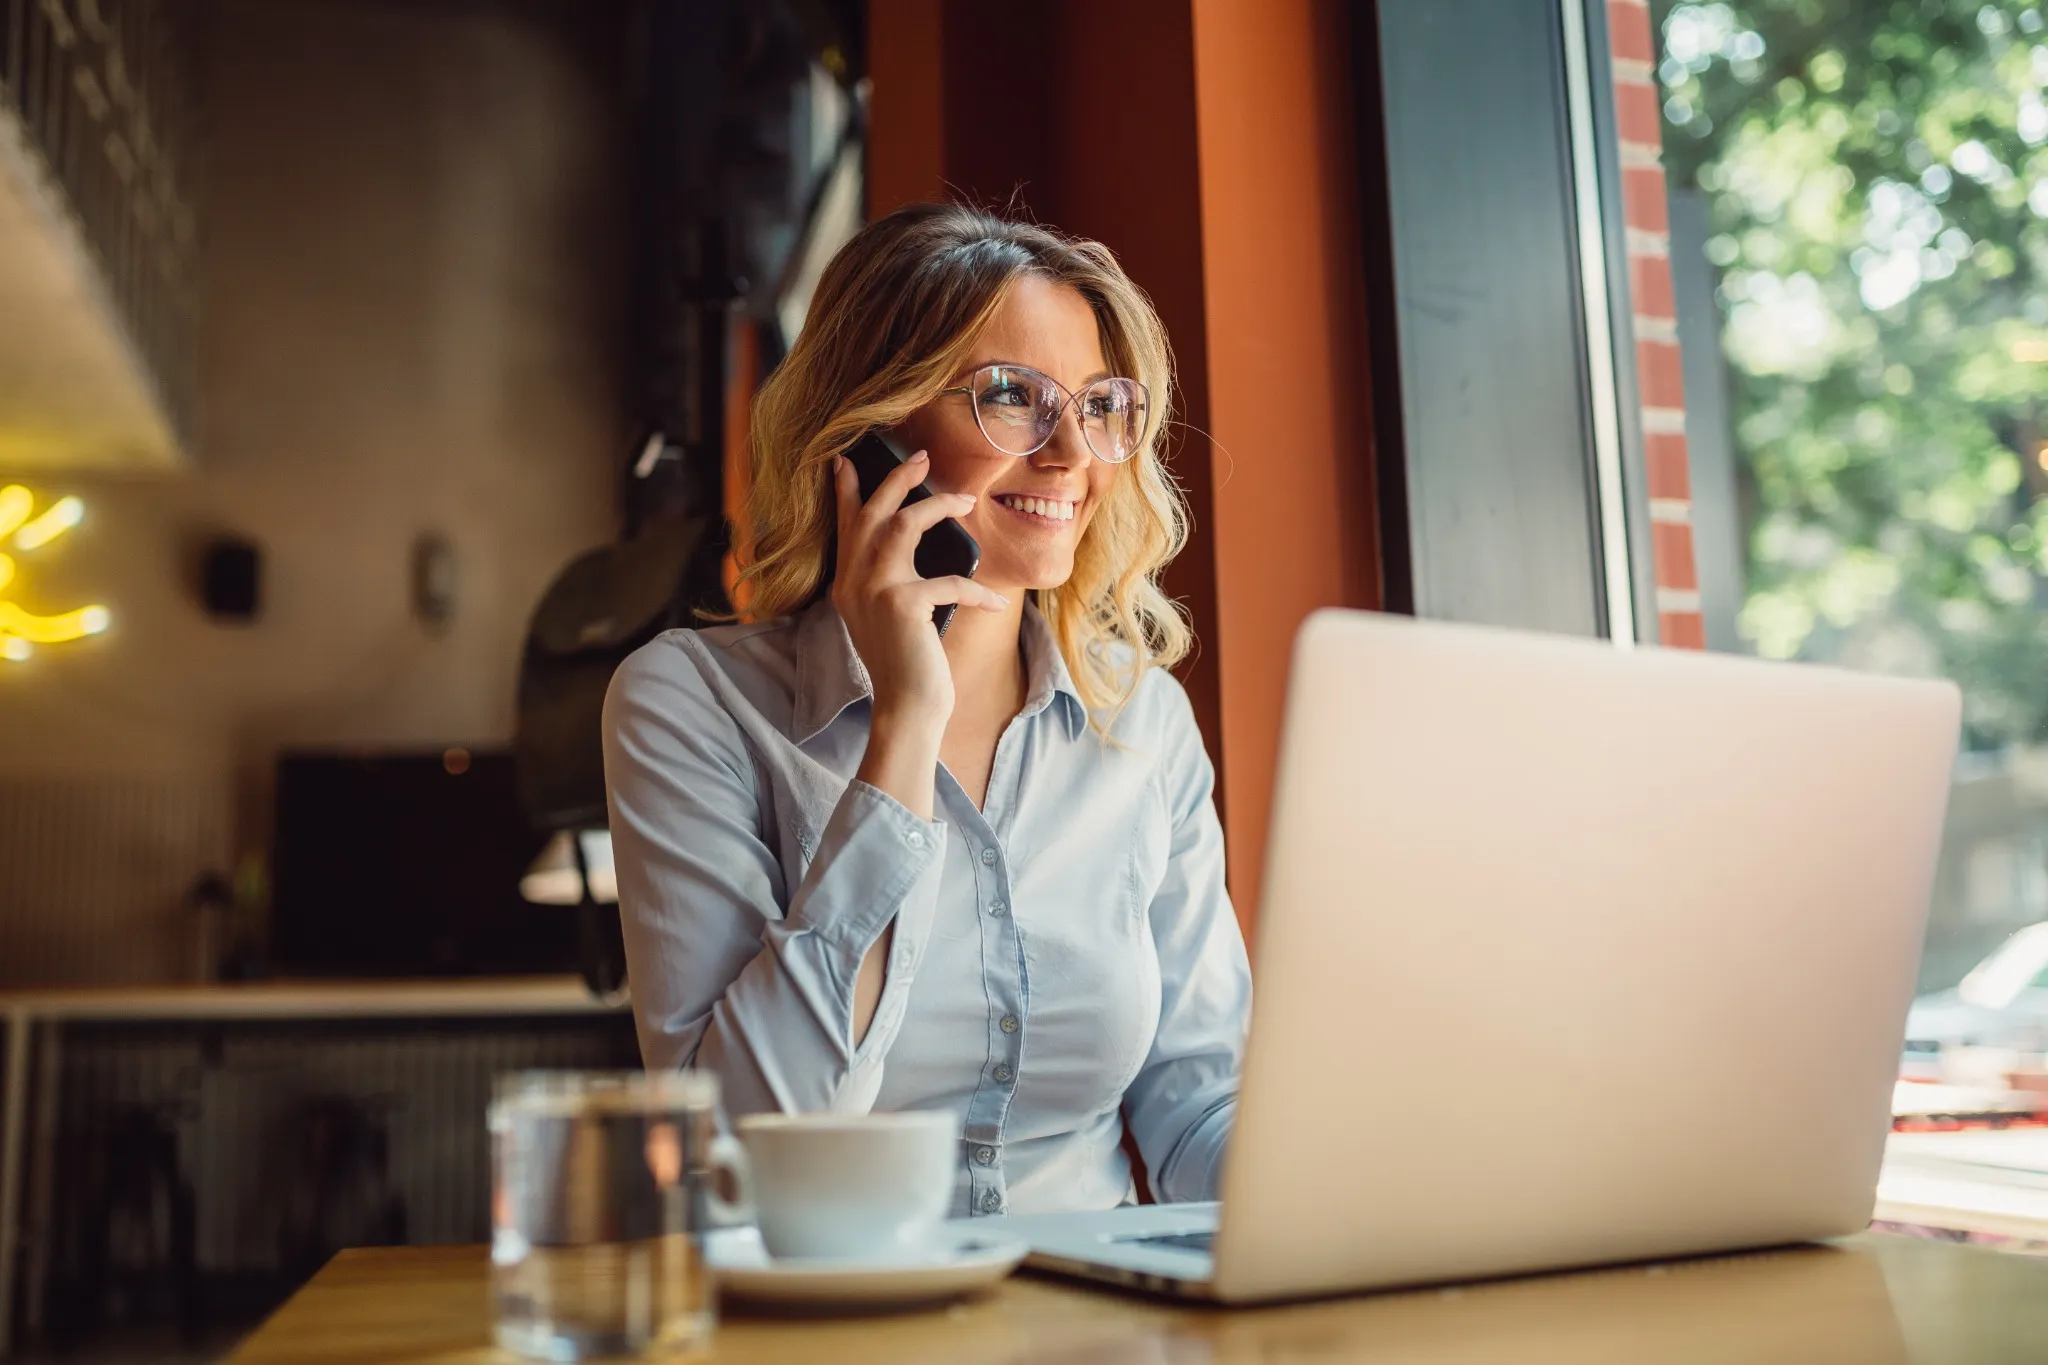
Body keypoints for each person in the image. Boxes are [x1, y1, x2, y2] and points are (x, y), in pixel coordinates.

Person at [602, 202, 1249, 1218]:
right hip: (833, 1321)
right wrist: (902, 728)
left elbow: (1197, 1098)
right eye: (1010, 398)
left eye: (1095, 406)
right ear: (866, 435)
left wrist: (1337, 1198)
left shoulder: (1143, 722)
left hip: (1095, 1325)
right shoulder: (691, 704)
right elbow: (741, 1150)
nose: (1070, 456)